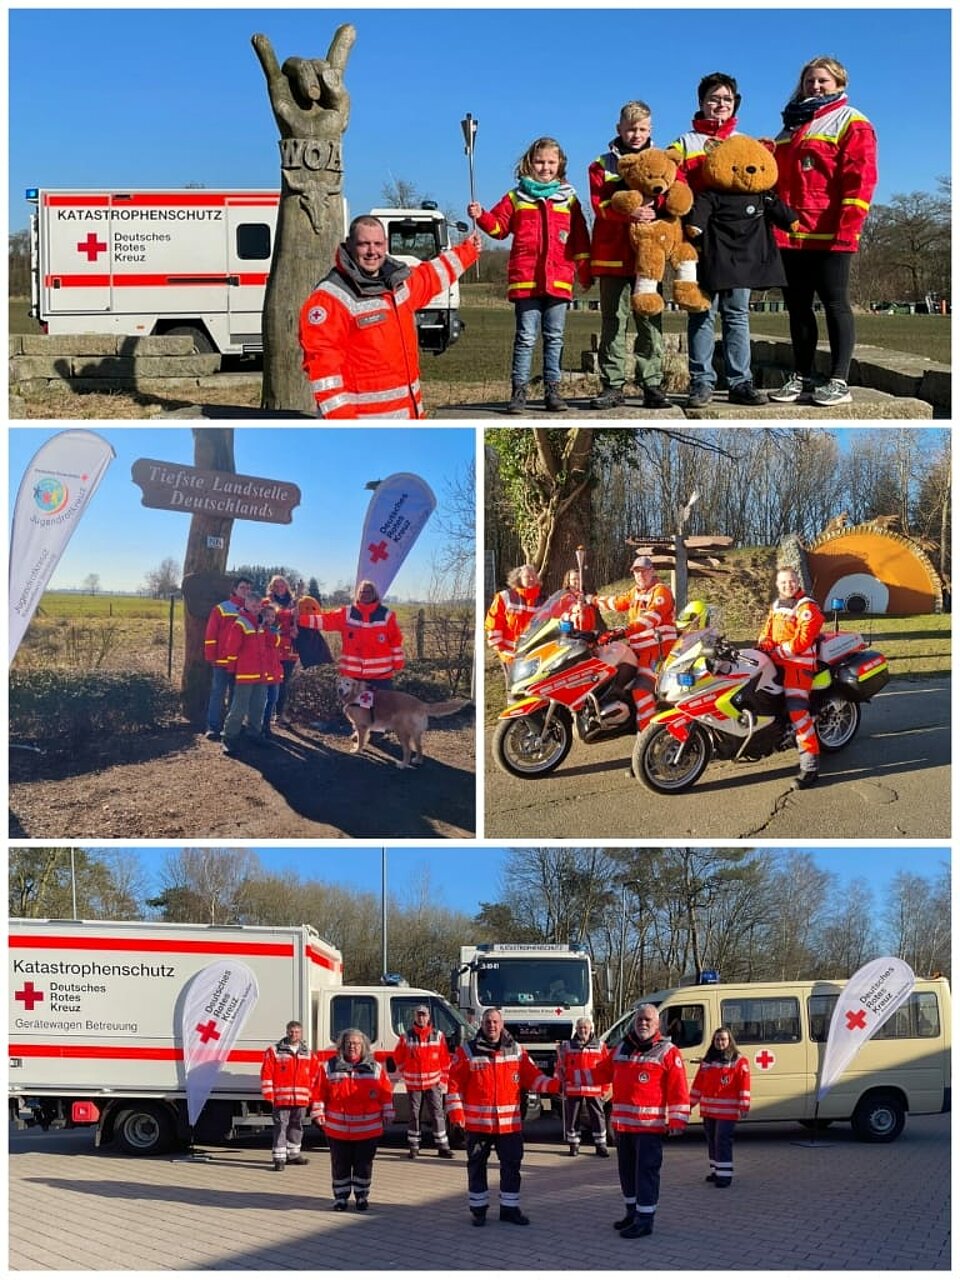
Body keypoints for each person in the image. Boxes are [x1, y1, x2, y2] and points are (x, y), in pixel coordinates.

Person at [769, 56, 878, 407]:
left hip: (830, 231)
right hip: (792, 232)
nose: (815, 87)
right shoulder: (789, 125)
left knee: (835, 303)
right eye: (809, 81)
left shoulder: (852, 121)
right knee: (798, 308)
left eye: (823, 81)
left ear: (839, 84)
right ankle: (802, 376)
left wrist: (848, 229)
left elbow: (860, 180)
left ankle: (839, 379)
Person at [300, 215, 481, 418]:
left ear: (385, 245)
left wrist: (469, 249)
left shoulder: (398, 284)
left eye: (377, 244)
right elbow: (325, 373)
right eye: (364, 244)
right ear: (349, 244)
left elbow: (432, 275)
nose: (372, 251)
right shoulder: (329, 299)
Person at [468, 136, 591, 414]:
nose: (545, 167)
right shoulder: (516, 197)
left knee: (555, 336)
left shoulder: (568, 198)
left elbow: (580, 238)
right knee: (525, 336)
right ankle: (519, 392)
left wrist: (585, 270)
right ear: (529, 164)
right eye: (539, 161)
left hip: (558, 279)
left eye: (550, 162)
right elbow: (499, 228)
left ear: (560, 164)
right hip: (527, 280)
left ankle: (553, 391)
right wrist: (482, 215)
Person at [667, 73, 767, 408]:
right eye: (714, 98)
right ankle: (702, 382)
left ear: (734, 103)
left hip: (738, 242)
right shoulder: (685, 142)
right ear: (701, 102)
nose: (720, 104)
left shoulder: (744, 142)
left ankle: (741, 382)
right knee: (702, 311)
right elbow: (673, 184)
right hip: (700, 239)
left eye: (726, 98)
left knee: (737, 312)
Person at [587, 100, 673, 411]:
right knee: (614, 322)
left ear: (651, 130)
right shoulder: (600, 165)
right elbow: (599, 206)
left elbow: (673, 198)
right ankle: (612, 385)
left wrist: (658, 213)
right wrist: (630, 213)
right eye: (631, 129)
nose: (636, 134)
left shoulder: (662, 160)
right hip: (612, 256)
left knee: (649, 321)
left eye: (642, 129)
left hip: (648, 260)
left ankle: (651, 383)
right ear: (619, 129)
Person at [445, 1007, 560, 1227]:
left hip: (508, 1126)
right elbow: (454, 1084)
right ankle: (478, 1210)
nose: (492, 1026)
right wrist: (456, 1113)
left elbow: (533, 1079)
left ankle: (510, 1209)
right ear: (481, 1024)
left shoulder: (517, 1051)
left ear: (502, 1023)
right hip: (478, 1126)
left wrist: (556, 1086)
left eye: (495, 1022)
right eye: (488, 1022)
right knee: (477, 1166)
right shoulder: (467, 1051)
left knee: (512, 1167)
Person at [593, 1004, 690, 1239]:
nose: (642, 1023)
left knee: (646, 1173)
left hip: (649, 1128)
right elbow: (600, 1073)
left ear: (657, 1024)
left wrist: (677, 1121)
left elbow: (678, 1089)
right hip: (623, 1128)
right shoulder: (622, 1048)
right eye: (639, 1020)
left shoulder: (667, 1051)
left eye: (648, 1020)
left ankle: (645, 1219)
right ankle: (632, 1213)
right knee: (627, 1173)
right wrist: (566, 1074)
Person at [310, 1028, 394, 1212]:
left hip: (367, 1129)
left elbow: (385, 1094)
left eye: (356, 1043)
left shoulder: (376, 1068)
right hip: (338, 1129)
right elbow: (318, 1092)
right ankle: (340, 1198)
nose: (352, 1047)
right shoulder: (328, 1067)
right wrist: (317, 1113)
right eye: (348, 1043)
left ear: (363, 1046)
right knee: (340, 1165)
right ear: (341, 1046)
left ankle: (362, 1196)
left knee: (363, 1165)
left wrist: (388, 1112)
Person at [757, 564, 825, 788]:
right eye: (784, 582)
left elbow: (804, 639)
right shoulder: (777, 605)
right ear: (778, 585)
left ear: (798, 582)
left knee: (798, 713)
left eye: (792, 581)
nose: (788, 585)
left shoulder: (807, 606)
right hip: (776, 662)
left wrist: (779, 651)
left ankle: (810, 767)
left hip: (798, 666)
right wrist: (764, 645)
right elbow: (767, 631)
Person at [592, 555, 677, 731]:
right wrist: (592, 601)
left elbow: (651, 617)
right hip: (638, 650)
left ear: (652, 571)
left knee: (641, 690)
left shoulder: (661, 591)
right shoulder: (635, 592)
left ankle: (648, 734)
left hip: (658, 651)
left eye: (644, 571)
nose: (640, 576)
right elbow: (616, 602)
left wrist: (624, 630)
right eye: (637, 572)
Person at [298, 580, 404, 687]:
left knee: (381, 704)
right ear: (358, 594)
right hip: (352, 678)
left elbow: (395, 642)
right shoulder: (347, 614)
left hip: (381, 677)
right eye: (362, 592)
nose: (365, 595)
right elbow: (326, 620)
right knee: (353, 704)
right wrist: (301, 620)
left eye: (369, 592)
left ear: (375, 594)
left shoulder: (386, 616)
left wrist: (398, 664)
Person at [689, 1027, 751, 1188]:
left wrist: (744, 1106)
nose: (720, 1042)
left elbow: (744, 1085)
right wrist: (689, 1104)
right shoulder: (708, 1061)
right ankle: (716, 1171)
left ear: (729, 1041)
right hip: (709, 1110)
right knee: (712, 1141)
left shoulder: (738, 1060)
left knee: (722, 1141)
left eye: (723, 1039)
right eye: (717, 1039)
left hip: (727, 1112)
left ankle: (725, 1176)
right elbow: (698, 1084)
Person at [221, 590, 279, 757]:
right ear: (246, 604)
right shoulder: (240, 623)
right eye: (253, 605)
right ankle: (229, 738)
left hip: (260, 674)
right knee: (239, 707)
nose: (256, 608)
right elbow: (232, 650)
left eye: (258, 606)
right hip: (245, 674)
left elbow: (270, 643)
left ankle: (254, 734)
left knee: (258, 706)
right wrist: (231, 670)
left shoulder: (260, 624)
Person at [393, 1004, 454, 1160]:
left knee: (438, 1114)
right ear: (415, 1017)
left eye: (424, 1015)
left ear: (428, 1017)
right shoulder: (406, 1037)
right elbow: (397, 1057)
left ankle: (443, 1146)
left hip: (433, 1083)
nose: (421, 1018)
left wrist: (443, 1079)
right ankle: (414, 1147)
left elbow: (445, 1060)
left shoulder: (438, 1035)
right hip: (414, 1084)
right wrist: (405, 1072)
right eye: (419, 1015)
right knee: (414, 1115)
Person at [260, 1019, 316, 1171]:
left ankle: (294, 1155)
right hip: (281, 1098)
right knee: (281, 1126)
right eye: (291, 1031)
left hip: (301, 1098)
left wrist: (311, 1095)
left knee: (297, 1126)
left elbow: (314, 1075)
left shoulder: (308, 1053)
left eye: (297, 1032)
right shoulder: (274, 1051)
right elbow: (267, 1073)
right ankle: (279, 1158)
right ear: (287, 1032)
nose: (294, 1034)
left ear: (301, 1033)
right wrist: (269, 1094)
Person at [203, 576, 253, 740]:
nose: (246, 591)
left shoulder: (252, 610)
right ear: (234, 589)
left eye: (248, 588)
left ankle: (231, 727)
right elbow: (211, 633)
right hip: (222, 660)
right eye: (242, 587)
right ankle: (212, 726)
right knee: (217, 693)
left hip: (241, 663)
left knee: (236, 695)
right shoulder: (222, 608)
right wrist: (211, 655)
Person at [556, 1015, 610, 1158]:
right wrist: (560, 1084)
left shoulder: (600, 1046)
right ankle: (574, 1145)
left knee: (598, 1116)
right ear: (576, 1029)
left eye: (585, 1028)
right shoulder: (567, 1046)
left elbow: (607, 1069)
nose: (582, 1030)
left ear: (591, 1029)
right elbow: (560, 1066)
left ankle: (600, 1145)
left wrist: (605, 1088)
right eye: (580, 1028)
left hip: (594, 1088)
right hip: (573, 1088)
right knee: (572, 1117)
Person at [484, 564, 543, 690]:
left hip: (534, 652)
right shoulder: (505, 597)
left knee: (534, 685)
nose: (532, 579)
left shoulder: (543, 600)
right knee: (515, 686)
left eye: (534, 576)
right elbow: (494, 620)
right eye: (527, 576)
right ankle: (513, 706)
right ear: (519, 579)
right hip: (510, 654)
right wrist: (497, 644)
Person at [265, 575, 299, 728]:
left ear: (287, 587)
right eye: (276, 586)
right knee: (269, 680)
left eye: (282, 586)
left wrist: (297, 629)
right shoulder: (267, 603)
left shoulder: (296, 603)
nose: (279, 589)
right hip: (273, 647)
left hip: (290, 649)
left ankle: (279, 714)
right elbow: (267, 620)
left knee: (284, 682)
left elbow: (301, 620)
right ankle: (265, 713)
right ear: (271, 588)